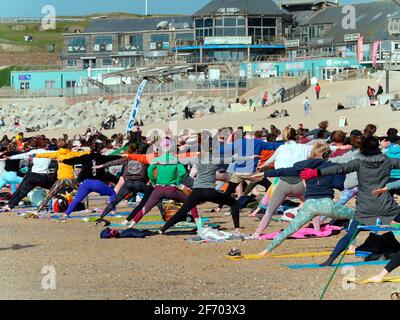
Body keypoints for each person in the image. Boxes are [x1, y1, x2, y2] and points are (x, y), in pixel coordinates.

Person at [300, 135, 400, 266]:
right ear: (377, 147)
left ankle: (330, 260)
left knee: (350, 235)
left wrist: (316, 173)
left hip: (365, 207)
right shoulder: (387, 161)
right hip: (386, 205)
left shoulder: (359, 162)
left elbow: (338, 168)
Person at [250, 142, 354, 256]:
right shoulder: (332, 166)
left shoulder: (303, 166)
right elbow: (340, 185)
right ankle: (352, 245)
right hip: (327, 205)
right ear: (326, 154)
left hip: (309, 206)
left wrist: (264, 174)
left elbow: (283, 171)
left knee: (289, 230)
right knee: (355, 216)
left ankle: (266, 251)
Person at [250, 127, 313, 238]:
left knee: (270, 211)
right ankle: (317, 230)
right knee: (313, 206)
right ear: (296, 136)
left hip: (283, 183)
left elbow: (270, 160)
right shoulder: (304, 147)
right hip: (299, 183)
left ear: (283, 137)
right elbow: (322, 149)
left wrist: (261, 167)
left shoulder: (281, 148)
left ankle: (257, 233)